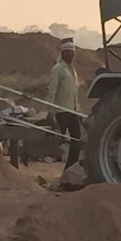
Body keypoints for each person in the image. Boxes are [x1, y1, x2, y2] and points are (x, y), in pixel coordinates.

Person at [46, 38, 82, 171]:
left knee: (77, 140)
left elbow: (74, 93)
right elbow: (52, 90)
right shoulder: (58, 69)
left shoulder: (72, 70)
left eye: (73, 53)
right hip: (61, 111)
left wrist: (78, 109)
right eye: (68, 52)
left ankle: (70, 169)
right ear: (63, 53)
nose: (71, 55)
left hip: (73, 111)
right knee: (55, 141)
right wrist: (50, 111)